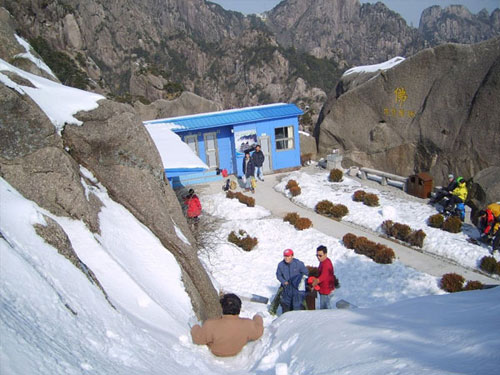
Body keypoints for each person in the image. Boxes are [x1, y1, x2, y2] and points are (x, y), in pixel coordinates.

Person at [190, 293, 263, 357]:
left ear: (222, 307)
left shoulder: (211, 325)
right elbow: (259, 331)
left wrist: (195, 326)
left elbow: (198, 338)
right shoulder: (248, 324)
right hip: (236, 352)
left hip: (216, 353)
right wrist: (257, 317)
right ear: (239, 308)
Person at [275, 249, 309, 313]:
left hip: (297, 289)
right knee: (285, 305)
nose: (286, 258)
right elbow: (278, 275)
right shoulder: (281, 265)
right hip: (286, 288)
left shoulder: (298, 264)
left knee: (297, 306)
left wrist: (300, 282)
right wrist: (283, 281)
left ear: (292, 256)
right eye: (285, 256)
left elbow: (305, 273)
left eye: (288, 256)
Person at [310, 245, 336, 309]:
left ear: (325, 254)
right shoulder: (323, 262)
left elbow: (324, 276)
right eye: (317, 255)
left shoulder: (326, 264)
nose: (318, 257)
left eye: (320, 255)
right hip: (323, 289)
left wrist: (316, 281)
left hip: (326, 290)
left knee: (325, 308)